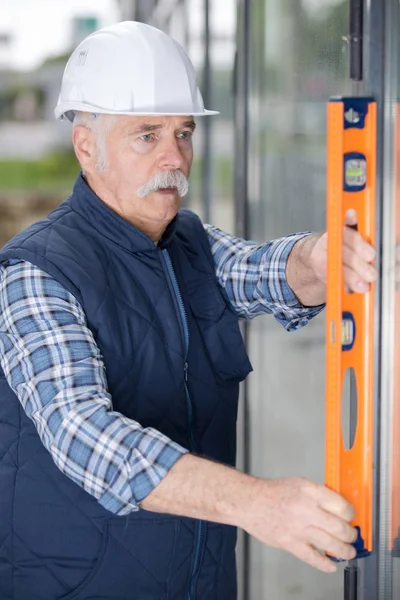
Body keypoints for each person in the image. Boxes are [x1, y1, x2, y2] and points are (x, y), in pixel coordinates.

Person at [0, 21, 377, 600]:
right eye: (146, 136)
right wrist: (258, 503)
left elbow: (266, 272)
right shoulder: (35, 272)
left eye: (184, 132)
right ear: (86, 146)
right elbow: (86, 436)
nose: (174, 157)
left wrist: (321, 256)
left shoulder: (188, 242)